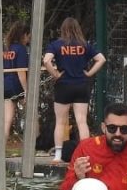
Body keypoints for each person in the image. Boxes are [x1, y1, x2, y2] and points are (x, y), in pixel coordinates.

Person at [43, 16, 105, 163]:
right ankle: (85, 154)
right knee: (82, 121)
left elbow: (46, 60)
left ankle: (58, 155)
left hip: (63, 85)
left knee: (60, 121)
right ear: (78, 29)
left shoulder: (56, 45)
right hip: (81, 85)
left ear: (63, 29)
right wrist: (89, 73)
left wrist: (56, 74)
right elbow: (101, 58)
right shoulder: (84, 45)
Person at [1, 21, 31, 147]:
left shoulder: (6, 49)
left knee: (7, 120)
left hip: (5, 85)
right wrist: (27, 91)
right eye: (28, 36)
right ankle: (35, 144)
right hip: (17, 86)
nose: (29, 39)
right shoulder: (21, 49)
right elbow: (21, 72)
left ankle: (0, 147)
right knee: (32, 115)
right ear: (23, 35)